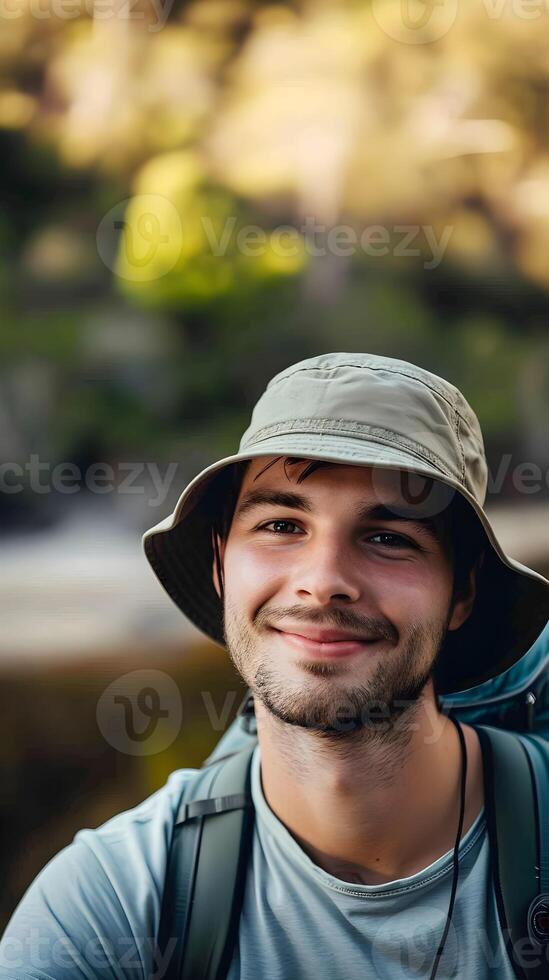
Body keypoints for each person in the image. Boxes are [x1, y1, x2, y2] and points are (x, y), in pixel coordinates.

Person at [1, 351, 549, 980]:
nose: (322, 583)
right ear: (220, 563)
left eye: (388, 537)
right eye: (283, 524)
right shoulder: (114, 908)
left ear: (463, 593)